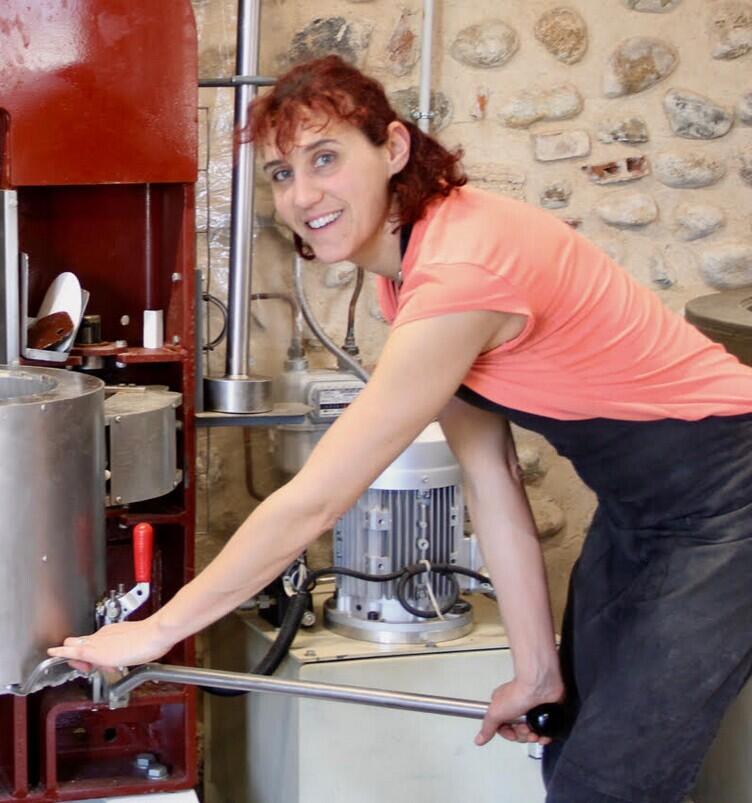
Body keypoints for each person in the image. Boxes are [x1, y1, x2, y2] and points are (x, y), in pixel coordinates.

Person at [50, 55, 752, 802]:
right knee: (570, 750)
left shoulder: (462, 273)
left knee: (609, 786)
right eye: (283, 173)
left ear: (392, 148)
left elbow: (317, 501)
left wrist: (156, 631)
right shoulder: (411, 270)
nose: (302, 195)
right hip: (644, 514)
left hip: (729, 502)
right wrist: (535, 671)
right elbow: (489, 473)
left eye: (326, 158)